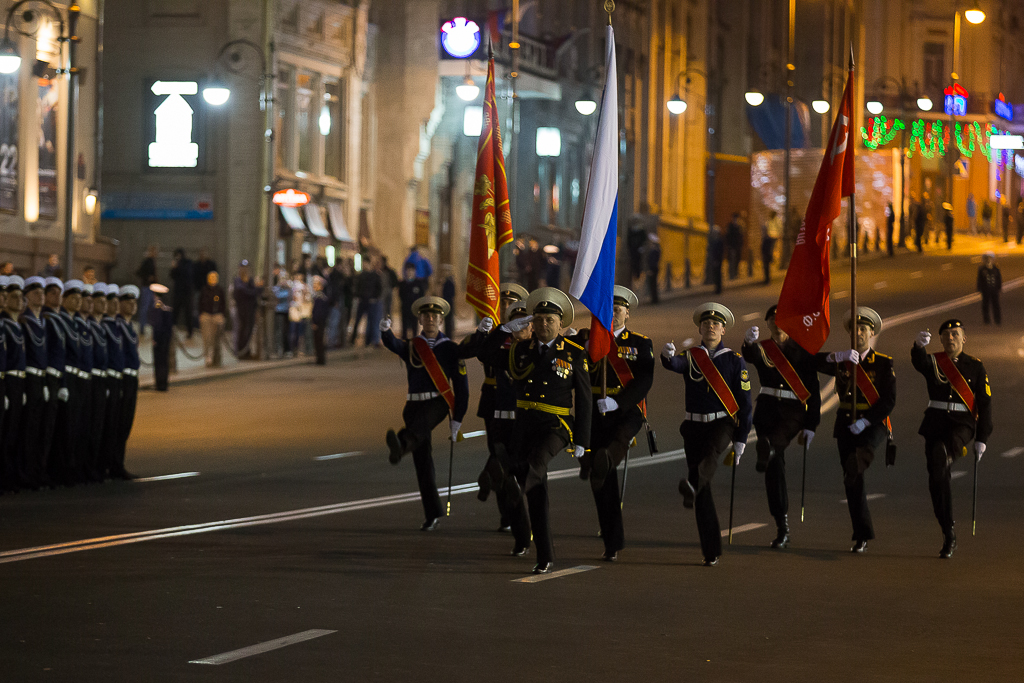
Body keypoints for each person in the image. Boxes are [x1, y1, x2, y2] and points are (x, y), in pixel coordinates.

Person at [483, 287, 592, 574]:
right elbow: (486, 353)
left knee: (536, 463)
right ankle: (545, 556)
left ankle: (515, 489)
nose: (544, 325)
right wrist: (505, 329)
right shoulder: (519, 350)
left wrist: (582, 440)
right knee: (538, 493)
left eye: (550, 320)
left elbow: (584, 398)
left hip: (555, 426)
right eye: (539, 319)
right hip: (524, 425)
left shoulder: (573, 352)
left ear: (561, 323)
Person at [661, 303, 752, 566]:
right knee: (702, 490)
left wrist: (742, 439)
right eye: (706, 323)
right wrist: (667, 356)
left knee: (711, 453)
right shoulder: (691, 355)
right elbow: (675, 364)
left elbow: (745, 403)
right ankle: (711, 550)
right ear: (699, 328)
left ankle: (693, 482)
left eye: (715, 324)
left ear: (723, 329)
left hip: (722, 424)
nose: (710, 327)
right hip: (693, 427)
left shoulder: (734, 360)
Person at [576, 286, 654, 562]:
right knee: (602, 480)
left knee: (613, 448)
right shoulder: (588, 338)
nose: (615, 315)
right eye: (610, 310)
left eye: (619, 310)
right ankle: (612, 542)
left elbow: (645, 380)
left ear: (627, 314)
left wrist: (618, 402)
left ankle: (601, 459)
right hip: (595, 412)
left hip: (627, 412)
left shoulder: (641, 343)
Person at [380, 296, 470, 531]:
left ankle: (401, 443)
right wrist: (385, 331)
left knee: (418, 429)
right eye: (426, 316)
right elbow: (394, 344)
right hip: (413, 406)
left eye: (435, 316)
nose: (430, 319)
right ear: (420, 319)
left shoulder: (450, 348)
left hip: (437, 404)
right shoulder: (412, 345)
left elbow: (461, 387)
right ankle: (432, 514)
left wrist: (457, 419)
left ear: (441, 320)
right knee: (423, 462)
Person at [815, 307, 895, 553]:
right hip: (846, 424)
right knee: (853, 481)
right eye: (855, 329)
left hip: (874, 424)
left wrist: (866, 421)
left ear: (872, 333)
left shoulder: (883, 363)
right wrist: (835, 356)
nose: (859, 333)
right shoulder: (843, 361)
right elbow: (809, 360)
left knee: (861, 456)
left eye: (864, 329)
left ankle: (858, 460)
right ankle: (861, 535)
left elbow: (888, 401)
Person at [741, 305, 822, 548]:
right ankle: (782, 526)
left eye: (781, 318)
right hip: (766, 411)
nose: (776, 323)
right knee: (774, 470)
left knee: (774, 442)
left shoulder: (803, 349)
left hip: (793, 413)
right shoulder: (764, 348)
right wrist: (748, 343)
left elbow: (814, 392)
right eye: (772, 319)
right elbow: (751, 355)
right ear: (767, 324)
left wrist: (811, 425)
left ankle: (770, 449)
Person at [910, 320, 991, 558]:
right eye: (945, 335)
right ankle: (948, 530)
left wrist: (982, 438)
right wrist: (917, 346)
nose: (950, 338)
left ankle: (952, 454)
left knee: (942, 455)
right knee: (937, 478)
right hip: (935, 424)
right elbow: (919, 362)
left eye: (955, 334)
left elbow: (985, 404)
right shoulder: (934, 361)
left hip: (961, 425)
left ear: (964, 338)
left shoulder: (975, 366)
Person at [470, 283, 530, 535]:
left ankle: (490, 475)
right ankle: (505, 515)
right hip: (493, 403)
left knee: (511, 458)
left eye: (512, 304)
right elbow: (476, 352)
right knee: (498, 450)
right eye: (503, 304)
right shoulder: (495, 334)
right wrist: (481, 334)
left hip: (520, 406)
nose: (506, 307)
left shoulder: (527, 337)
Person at [19, 276, 49, 489]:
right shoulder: (24, 321)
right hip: (29, 379)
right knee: (27, 429)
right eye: (35, 292)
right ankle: (24, 473)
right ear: (27, 296)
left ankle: (36, 471)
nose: (40, 296)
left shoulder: (43, 321)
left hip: (41, 378)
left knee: (40, 428)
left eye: (42, 292)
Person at [40, 277, 70, 484]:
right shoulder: (44, 318)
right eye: (52, 293)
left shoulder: (62, 317)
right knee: (44, 427)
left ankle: (56, 470)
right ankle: (41, 470)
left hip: (61, 376)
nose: (57, 296)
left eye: (59, 293)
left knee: (60, 427)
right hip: (48, 376)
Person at [1, 276, 26, 491]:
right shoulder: (5, 324)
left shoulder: (16, 325)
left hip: (14, 382)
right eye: (11, 296)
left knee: (12, 433)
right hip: (6, 381)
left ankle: (10, 475)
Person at [114, 285, 140, 479]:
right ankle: (114, 464)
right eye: (128, 302)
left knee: (126, 424)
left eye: (134, 303)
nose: (132, 306)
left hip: (132, 377)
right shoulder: (117, 325)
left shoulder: (130, 327)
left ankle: (118, 462)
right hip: (122, 378)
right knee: (118, 423)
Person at [70, 281, 95, 482]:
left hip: (89, 379)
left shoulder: (87, 324)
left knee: (87, 428)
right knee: (70, 427)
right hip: (72, 379)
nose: (83, 303)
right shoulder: (65, 322)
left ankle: (82, 467)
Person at [87, 284, 110, 482]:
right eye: (99, 301)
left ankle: (98, 467)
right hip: (89, 379)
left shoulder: (103, 326)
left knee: (100, 427)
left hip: (102, 379)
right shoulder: (86, 324)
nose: (104, 305)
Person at [350, 256, 383, 347]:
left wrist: (375, 297)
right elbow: (357, 287)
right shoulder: (361, 275)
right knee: (357, 320)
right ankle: (353, 339)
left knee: (371, 321)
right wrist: (358, 296)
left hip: (370, 301)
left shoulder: (374, 275)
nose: (364, 265)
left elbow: (379, 288)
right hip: (362, 300)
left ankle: (368, 340)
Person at [232, 260, 261, 358]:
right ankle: (240, 351)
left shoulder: (250, 280)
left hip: (250, 309)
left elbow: (256, 292)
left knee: (249, 331)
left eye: (246, 268)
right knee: (242, 330)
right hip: (241, 310)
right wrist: (253, 291)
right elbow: (244, 291)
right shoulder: (237, 280)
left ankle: (246, 351)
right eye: (243, 268)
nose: (245, 270)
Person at [199, 271, 227, 367]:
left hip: (217, 315)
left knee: (217, 337)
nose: (213, 279)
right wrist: (201, 314)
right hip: (206, 314)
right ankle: (208, 356)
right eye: (211, 278)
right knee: (207, 337)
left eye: (214, 278)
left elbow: (223, 304)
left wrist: (222, 315)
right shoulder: (204, 289)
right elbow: (200, 303)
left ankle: (217, 356)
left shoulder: (220, 290)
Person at [149, 284, 174, 391]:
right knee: (164, 361)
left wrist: (155, 339)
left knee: (159, 362)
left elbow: (157, 324)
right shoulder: (166, 305)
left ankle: (160, 384)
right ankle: (164, 383)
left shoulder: (157, 305)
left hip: (160, 338)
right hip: (167, 337)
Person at [169, 248, 195, 338]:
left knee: (188, 313)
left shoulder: (188, 262)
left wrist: (177, 267)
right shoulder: (176, 264)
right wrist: (174, 268)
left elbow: (187, 273)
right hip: (178, 292)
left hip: (187, 292)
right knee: (175, 313)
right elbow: (172, 275)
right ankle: (171, 331)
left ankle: (190, 332)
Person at [398, 264, 428, 340]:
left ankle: (415, 340)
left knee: (414, 325)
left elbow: (421, 295)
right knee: (404, 326)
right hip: (405, 307)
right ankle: (404, 340)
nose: (410, 272)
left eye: (411, 270)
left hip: (415, 308)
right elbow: (400, 295)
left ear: (414, 271)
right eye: (408, 270)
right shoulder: (403, 283)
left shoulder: (418, 283)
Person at [136, 246, 158, 337]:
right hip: (147, 287)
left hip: (150, 287)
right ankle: (142, 327)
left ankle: (146, 327)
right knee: (145, 308)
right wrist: (148, 278)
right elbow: (139, 272)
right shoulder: (147, 262)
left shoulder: (151, 261)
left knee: (151, 308)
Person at [976, 251, 1002, 325]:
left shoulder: (996, 268)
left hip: (994, 290)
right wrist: (979, 289)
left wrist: (999, 288)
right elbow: (979, 280)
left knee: (996, 305)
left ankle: (997, 319)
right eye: (987, 258)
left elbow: (999, 279)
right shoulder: (982, 269)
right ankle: (986, 320)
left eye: (990, 258)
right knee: (985, 305)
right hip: (985, 290)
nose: (988, 260)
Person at [289, 274, 311, 355]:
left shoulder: (305, 287)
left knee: (301, 331)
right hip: (294, 311)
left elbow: (308, 299)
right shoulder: (293, 287)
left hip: (302, 311)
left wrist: (305, 294)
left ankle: (300, 349)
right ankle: (293, 349)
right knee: (293, 331)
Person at [310, 276, 330, 365]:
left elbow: (318, 312)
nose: (314, 286)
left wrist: (315, 322)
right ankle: (320, 359)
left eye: (316, 285)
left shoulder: (319, 297)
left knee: (318, 341)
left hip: (319, 322)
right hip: (321, 322)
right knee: (319, 341)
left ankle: (320, 359)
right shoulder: (322, 297)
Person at [761, 210, 782, 284]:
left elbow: (779, 229)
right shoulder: (770, 222)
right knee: (767, 265)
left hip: (773, 238)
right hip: (771, 239)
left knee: (767, 264)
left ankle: (767, 279)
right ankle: (767, 279)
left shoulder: (776, 221)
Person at [725, 212, 744, 279]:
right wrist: (728, 245)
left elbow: (741, 236)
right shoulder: (730, 226)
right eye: (735, 219)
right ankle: (731, 274)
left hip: (738, 246)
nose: (736, 220)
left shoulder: (739, 227)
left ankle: (735, 273)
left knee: (737, 260)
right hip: (732, 246)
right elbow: (727, 236)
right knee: (731, 261)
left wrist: (741, 244)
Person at [707, 225, 725, 294]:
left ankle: (719, 288)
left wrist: (717, 260)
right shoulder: (713, 240)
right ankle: (717, 288)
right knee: (715, 274)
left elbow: (720, 251)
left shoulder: (720, 240)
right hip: (714, 259)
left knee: (718, 274)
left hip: (718, 259)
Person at [441, 267, 456, 339]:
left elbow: (452, 293)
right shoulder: (445, 282)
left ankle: (449, 335)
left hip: (449, 302)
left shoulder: (449, 282)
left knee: (449, 320)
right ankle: (447, 334)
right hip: (445, 302)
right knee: (446, 320)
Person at [645, 234, 662, 303]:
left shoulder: (655, 251)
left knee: (653, 284)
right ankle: (654, 299)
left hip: (653, 268)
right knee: (653, 284)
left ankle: (654, 300)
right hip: (654, 268)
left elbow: (653, 261)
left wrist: (651, 269)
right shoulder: (656, 250)